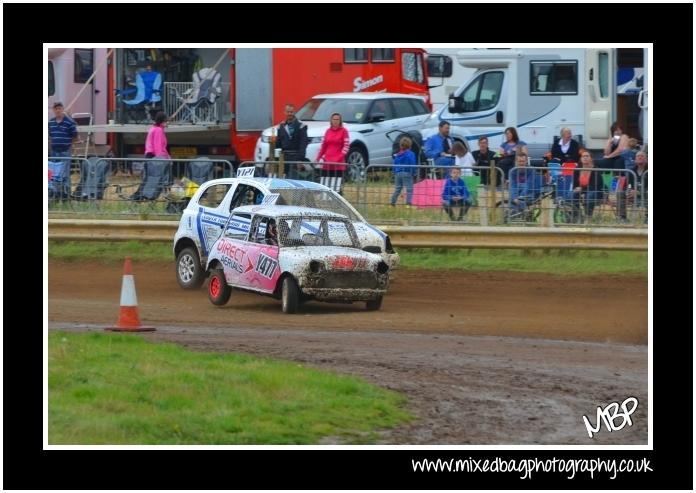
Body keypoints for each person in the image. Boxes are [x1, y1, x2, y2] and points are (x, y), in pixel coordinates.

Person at [48, 102, 79, 198]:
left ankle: (66, 193)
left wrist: (70, 145)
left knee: (65, 172)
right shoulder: (51, 122)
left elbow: (75, 136)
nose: (58, 110)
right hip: (54, 151)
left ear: (62, 109)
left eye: (59, 108)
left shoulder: (69, 123)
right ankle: (54, 192)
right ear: (53, 110)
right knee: (53, 173)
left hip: (65, 150)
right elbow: (49, 136)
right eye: (56, 109)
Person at [315, 112, 349, 193]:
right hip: (327, 163)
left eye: (337, 119)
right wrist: (318, 158)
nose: (335, 121)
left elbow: (346, 147)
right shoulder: (327, 131)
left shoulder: (344, 131)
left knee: (337, 187)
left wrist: (338, 158)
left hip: (338, 164)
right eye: (334, 119)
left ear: (340, 121)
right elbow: (323, 146)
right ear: (331, 120)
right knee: (325, 185)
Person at [275, 103, 309, 178]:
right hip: (284, 158)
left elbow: (303, 144)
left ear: (294, 112)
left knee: (295, 180)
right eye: (288, 112)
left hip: (296, 157)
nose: (289, 114)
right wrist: (273, 142)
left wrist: (300, 160)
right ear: (284, 112)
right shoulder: (281, 126)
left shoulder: (301, 126)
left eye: (291, 112)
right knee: (285, 181)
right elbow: (279, 144)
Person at [572, 150, 605, 221]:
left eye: (587, 156)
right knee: (572, 194)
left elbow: (595, 186)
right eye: (583, 156)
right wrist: (577, 189)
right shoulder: (577, 170)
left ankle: (588, 216)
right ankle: (577, 215)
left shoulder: (596, 170)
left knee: (589, 195)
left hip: (596, 191)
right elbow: (575, 185)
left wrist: (582, 189)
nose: (585, 158)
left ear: (591, 159)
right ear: (581, 159)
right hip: (583, 191)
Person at [390, 135, 418, 207]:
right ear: (410, 145)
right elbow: (412, 163)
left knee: (398, 189)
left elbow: (394, 163)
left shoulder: (397, 154)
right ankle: (408, 204)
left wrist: (394, 172)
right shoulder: (411, 154)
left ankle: (392, 202)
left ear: (400, 145)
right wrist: (414, 173)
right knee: (409, 189)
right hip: (407, 173)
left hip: (398, 173)